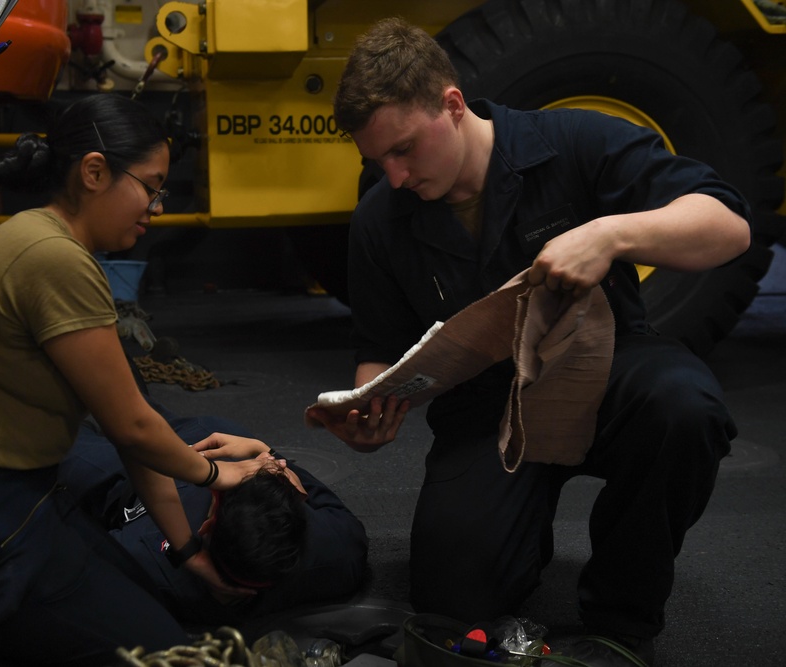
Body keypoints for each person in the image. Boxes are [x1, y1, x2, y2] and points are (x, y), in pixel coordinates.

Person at [305, 17, 752, 667]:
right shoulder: (381, 217)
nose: (394, 176)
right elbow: (380, 345)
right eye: (378, 161)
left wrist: (611, 236)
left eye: (404, 150)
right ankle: (510, 536)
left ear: (452, 105)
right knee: (451, 601)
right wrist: (368, 406)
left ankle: (621, 618)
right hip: (487, 407)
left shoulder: (573, 141)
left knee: (684, 406)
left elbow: (730, 227)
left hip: (603, 366)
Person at [0, 94, 269, 665]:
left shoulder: (46, 240)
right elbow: (135, 429)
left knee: (153, 610)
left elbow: (131, 423)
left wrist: (186, 549)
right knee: (169, 656)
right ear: (94, 172)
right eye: (151, 186)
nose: (158, 207)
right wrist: (218, 474)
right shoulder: (53, 257)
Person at [60, 407, 369, 627]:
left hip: (126, 485)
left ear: (207, 524)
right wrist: (267, 454)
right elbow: (320, 501)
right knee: (136, 407)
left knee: (69, 425)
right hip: (220, 443)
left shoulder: (143, 566)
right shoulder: (338, 552)